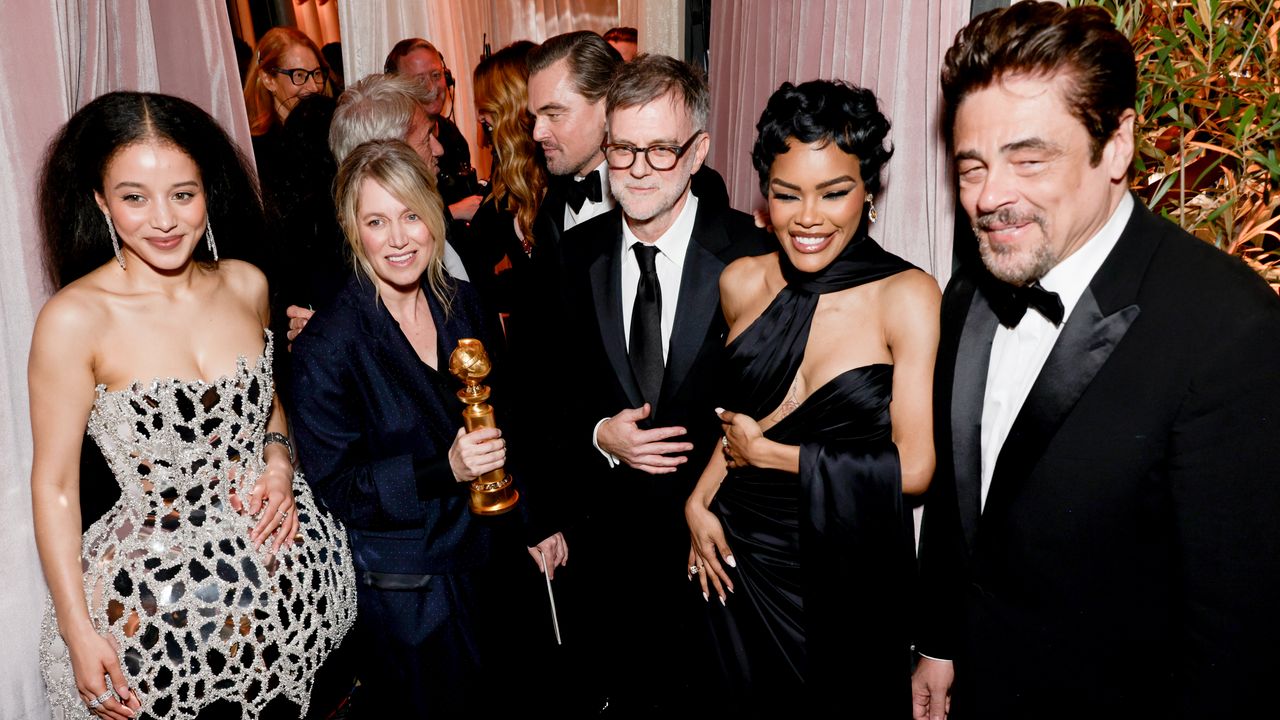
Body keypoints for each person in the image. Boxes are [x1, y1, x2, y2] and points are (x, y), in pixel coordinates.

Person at [912, 3, 1280, 719]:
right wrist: (940, 640)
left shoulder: (1230, 330)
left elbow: (1237, 642)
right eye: (972, 166)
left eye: (1029, 159)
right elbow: (963, 508)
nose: (989, 197)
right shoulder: (968, 294)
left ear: (1116, 146)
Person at [31, 91, 355, 720]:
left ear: (208, 191)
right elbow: (56, 487)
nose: (164, 220)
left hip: (294, 593)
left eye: (183, 194)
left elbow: (268, 404)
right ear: (101, 201)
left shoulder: (246, 283)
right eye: (134, 197)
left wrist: (278, 462)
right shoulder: (74, 319)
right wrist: (76, 630)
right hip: (159, 618)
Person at [686, 79, 939, 717]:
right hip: (736, 560)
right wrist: (696, 502)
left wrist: (771, 457)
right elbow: (738, 424)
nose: (807, 217)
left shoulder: (907, 296)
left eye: (833, 192)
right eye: (786, 193)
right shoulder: (740, 282)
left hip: (845, 577)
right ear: (764, 195)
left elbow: (915, 469)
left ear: (868, 191)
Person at [288, 139, 567, 717]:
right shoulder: (328, 347)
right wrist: (446, 469)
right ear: (354, 230)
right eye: (376, 221)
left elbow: (507, 416)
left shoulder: (463, 303)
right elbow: (338, 488)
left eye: (411, 215)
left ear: (434, 215)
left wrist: (534, 520)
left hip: (496, 563)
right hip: (416, 593)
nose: (398, 238)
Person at [544, 53, 772, 716]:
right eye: (623, 149)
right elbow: (541, 393)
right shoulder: (572, 256)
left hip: (722, 556)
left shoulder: (753, 255)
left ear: (697, 151)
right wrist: (599, 434)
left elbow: (776, 408)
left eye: (661, 150)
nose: (638, 168)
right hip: (608, 562)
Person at [466, 40, 546, 336]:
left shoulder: (561, 173)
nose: (480, 117)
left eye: (486, 104)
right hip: (526, 340)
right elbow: (476, 256)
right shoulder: (506, 172)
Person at [384, 37, 483, 217]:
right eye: (419, 80)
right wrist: (453, 212)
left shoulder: (451, 134)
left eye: (436, 75)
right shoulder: (393, 145)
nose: (431, 87)